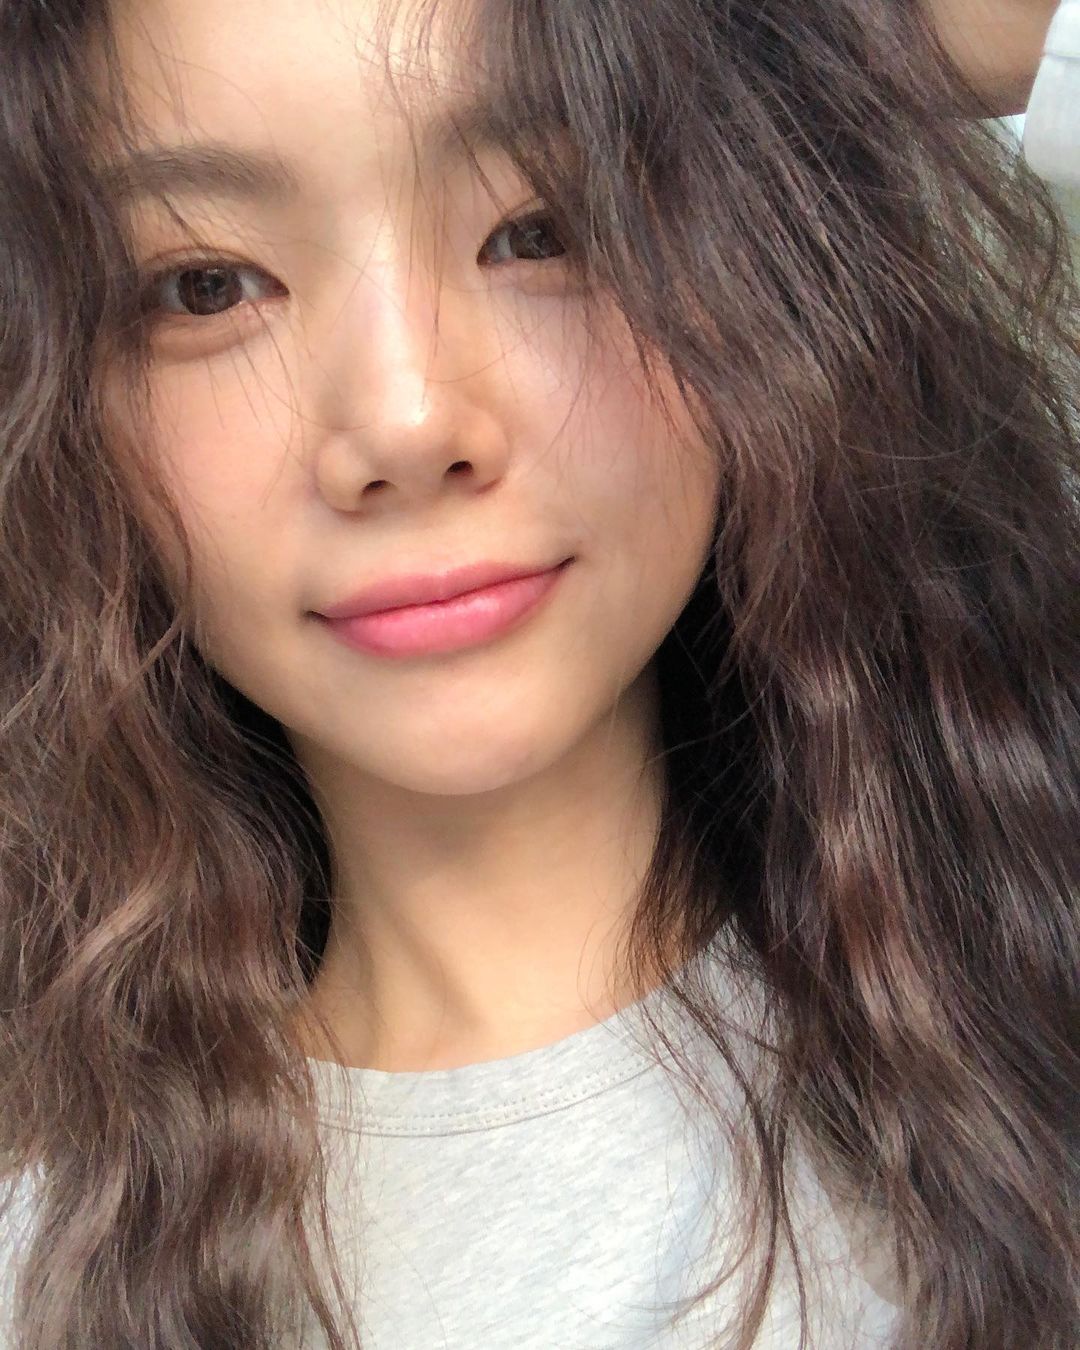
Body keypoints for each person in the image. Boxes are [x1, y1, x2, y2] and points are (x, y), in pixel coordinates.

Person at [0, 1, 1076, 1346]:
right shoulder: (42, 1273)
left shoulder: (1035, 1001)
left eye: (544, 229)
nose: (405, 423)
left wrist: (783, 45)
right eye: (206, 285)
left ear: (760, 267)